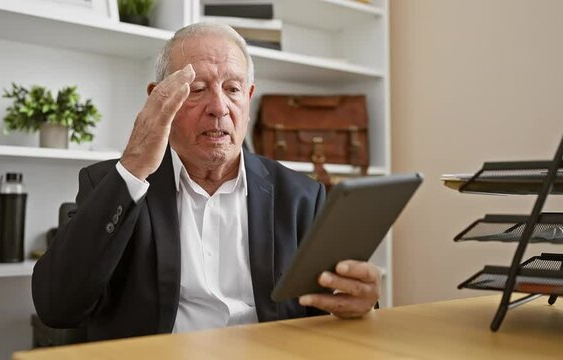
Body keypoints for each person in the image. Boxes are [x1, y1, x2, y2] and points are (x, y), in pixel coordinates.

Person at [32, 22, 380, 342]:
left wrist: (358, 301)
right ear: (159, 98)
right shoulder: (114, 184)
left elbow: (329, 308)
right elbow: (57, 306)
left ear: (248, 96)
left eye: (233, 88)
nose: (219, 106)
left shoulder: (302, 196)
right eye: (197, 89)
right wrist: (134, 166)